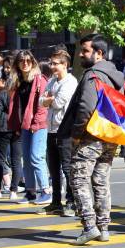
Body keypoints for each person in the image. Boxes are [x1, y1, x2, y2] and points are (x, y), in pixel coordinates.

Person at [57, 33, 124, 244]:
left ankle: (89, 226)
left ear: (99, 53)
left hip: (91, 136)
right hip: (110, 136)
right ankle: (103, 227)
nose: (81, 55)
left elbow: (85, 108)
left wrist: (77, 135)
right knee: (101, 180)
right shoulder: (115, 75)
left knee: (78, 179)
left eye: (85, 50)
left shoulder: (93, 75)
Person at [7, 50, 50, 205]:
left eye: (28, 61)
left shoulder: (40, 80)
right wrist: (17, 125)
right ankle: (30, 192)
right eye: (21, 61)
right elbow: (17, 107)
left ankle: (46, 191)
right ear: (17, 64)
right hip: (24, 125)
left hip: (39, 125)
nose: (25, 63)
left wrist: (36, 123)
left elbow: (43, 106)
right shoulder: (18, 81)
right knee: (26, 159)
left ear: (33, 62)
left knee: (36, 157)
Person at [39, 50, 78, 216]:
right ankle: (56, 202)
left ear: (65, 65)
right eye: (51, 63)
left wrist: (49, 99)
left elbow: (59, 102)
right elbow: (41, 101)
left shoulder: (70, 82)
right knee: (53, 168)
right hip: (51, 129)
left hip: (65, 129)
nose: (52, 66)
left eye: (55, 63)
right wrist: (49, 99)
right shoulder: (52, 81)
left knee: (67, 167)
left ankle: (72, 202)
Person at [0, 55, 23, 201]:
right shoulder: (21, 89)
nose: (6, 69)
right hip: (18, 127)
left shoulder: (3, 93)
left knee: (0, 159)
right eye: (5, 67)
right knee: (16, 159)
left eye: (8, 67)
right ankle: (14, 190)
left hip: (3, 126)